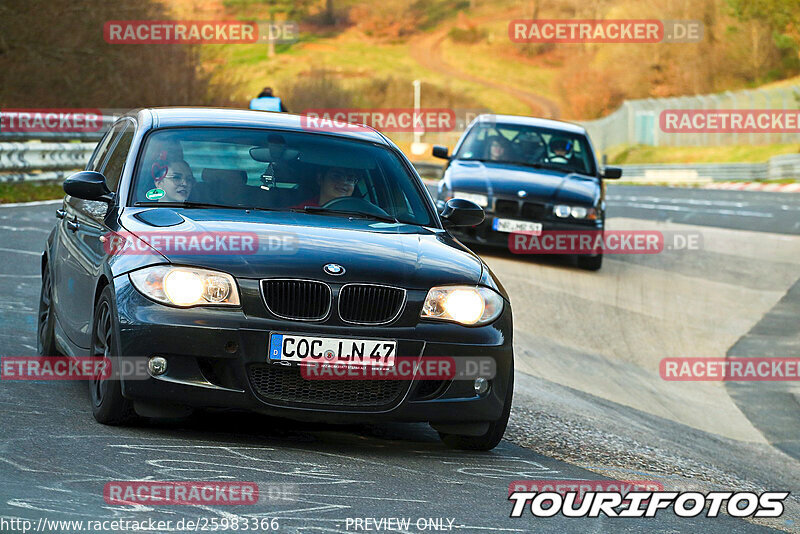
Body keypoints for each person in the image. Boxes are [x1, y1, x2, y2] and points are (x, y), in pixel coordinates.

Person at [292, 167, 359, 208]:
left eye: (350, 179)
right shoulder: (298, 213)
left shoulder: (362, 216)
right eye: (337, 176)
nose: (344, 182)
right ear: (320, 179)